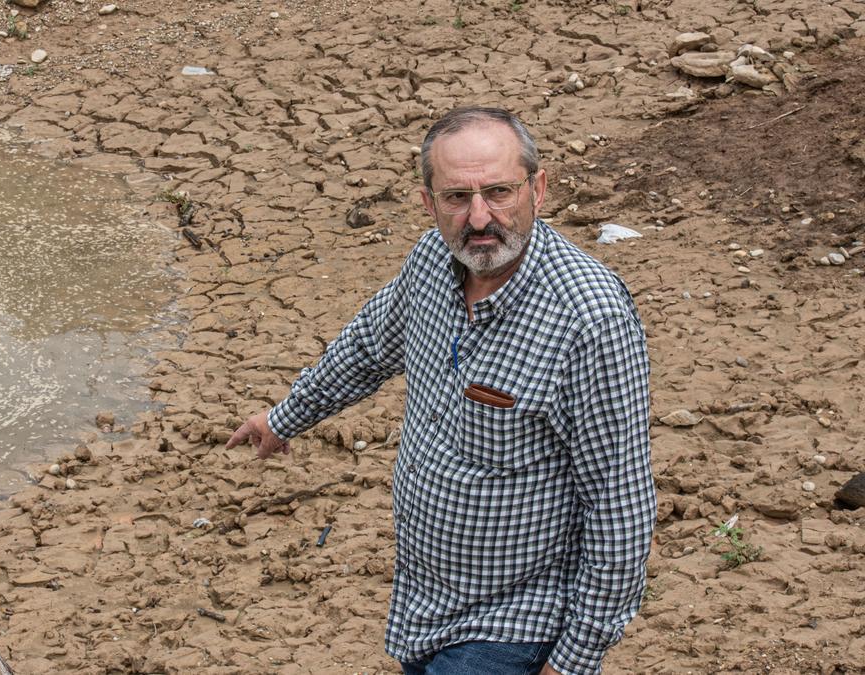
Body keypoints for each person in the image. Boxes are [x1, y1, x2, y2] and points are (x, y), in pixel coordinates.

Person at [226, 106, 656, 675]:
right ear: (428, 202)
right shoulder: (432, 263)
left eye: (498, 192)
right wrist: (285, 418)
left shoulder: (589, 318)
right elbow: (367, 348)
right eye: (457, 198)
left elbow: (618, 502)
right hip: (425, 606)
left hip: (515, 626)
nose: (479, 218)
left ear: (538, 188)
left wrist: (575, 660)